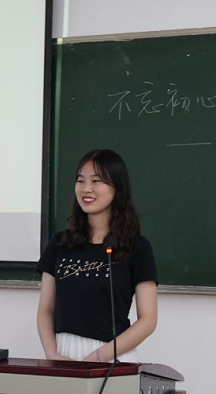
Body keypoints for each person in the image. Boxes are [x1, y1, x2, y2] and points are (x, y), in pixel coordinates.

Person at [35, 149, 158, 362]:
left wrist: (99, 357)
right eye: (80, 181)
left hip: (112, 358)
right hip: (63, 355)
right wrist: (52, 354)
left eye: (96, 181)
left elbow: (148, 321)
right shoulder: (60, 243)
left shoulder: (137, 247)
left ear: (117, 187)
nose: (86, 188)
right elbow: (45, 310)